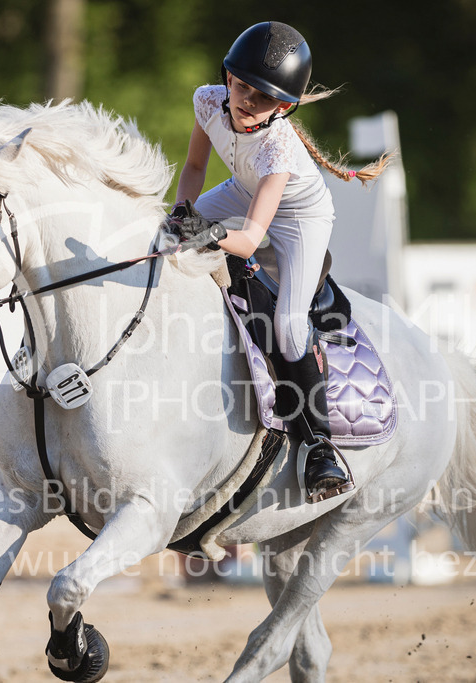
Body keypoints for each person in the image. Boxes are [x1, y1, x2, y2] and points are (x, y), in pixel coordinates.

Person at [170, 21, 390, 503]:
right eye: (242, 87)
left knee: (289, 327)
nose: (247, 101)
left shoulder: (280, 144)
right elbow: (193, 168)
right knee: (163, 239)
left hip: (300, 218)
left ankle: (319, 445)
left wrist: (208, 233)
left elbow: (250, 240)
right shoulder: (207, 101)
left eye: (263, 97)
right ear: (227, 78)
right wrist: (182, 215)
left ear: (284, 107)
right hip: (242, 190)